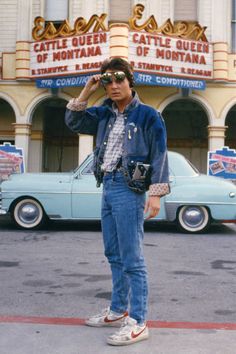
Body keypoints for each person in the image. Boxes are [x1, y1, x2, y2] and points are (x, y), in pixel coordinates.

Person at [65, 58, 170, 346]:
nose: (113, 85)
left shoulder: (149, 115)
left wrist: (156, 194)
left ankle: (138, 321)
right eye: (107, 80)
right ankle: (117, 310)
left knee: (132, 258)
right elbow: (73, 121)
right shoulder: (103, 114)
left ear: (130, 79)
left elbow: (160, 154)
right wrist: (87, 90)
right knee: (113, 253)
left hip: (129, 189)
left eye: (119, 78)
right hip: (108, 185)